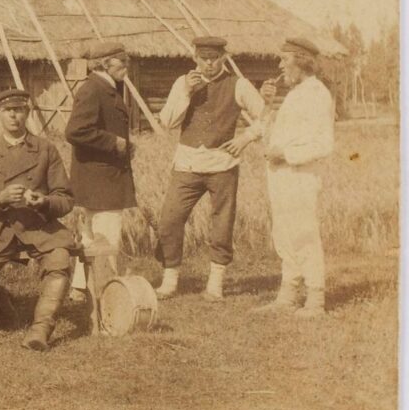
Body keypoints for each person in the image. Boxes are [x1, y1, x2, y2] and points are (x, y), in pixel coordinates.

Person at [154, 36, 266, 301]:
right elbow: (168, 122)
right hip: (187, 164)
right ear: (195, 58)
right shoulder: (182, 83)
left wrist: (245, 138)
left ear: (223, 58)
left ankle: (215, 283)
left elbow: (266, 116)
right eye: (203, 58)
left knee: (222, 223)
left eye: (214, 58)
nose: (209, 64)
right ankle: (170, 280)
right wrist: (186, 92)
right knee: (169, 220)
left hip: (222, 165)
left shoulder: (239, 85)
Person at [0, 90, 78, 351]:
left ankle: (40, 329)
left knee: (59, 261)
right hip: (1, 230)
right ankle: (6, 309)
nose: (14, 116)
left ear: (27, 113)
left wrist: (44, 201)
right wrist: (1, 199)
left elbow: (65, 199)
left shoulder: (45, 149)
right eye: (8, 111)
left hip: (39, 226)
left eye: (19, 110)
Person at [253, 38, 335, 318]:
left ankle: (315, 300)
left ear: (302, 61)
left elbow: (323, 144)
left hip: (301, 176)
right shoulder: (294, 94)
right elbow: (269, 134)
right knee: (285, 234)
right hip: (281, 177)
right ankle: (287, 296)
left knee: (304, 234)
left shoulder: (317, 94)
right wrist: (266, 104)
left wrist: (286, 154)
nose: (280, 65)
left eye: (284, 59)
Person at [64, 42, 137, 318]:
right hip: (101, 179)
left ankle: (81, 288)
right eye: (122, 62)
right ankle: (107, 291)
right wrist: (114, 143)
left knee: (90, 237)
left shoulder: (105, 87)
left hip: (98, 177)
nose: (126, 67)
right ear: (105, 64)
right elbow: (75, 131)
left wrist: (123, 145)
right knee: (106, 236)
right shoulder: (93, 89)